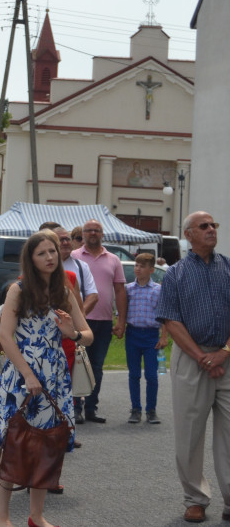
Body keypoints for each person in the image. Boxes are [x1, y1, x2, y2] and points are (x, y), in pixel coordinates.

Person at [0, 230, 92, 527]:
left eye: (52, 251)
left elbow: (88, 336)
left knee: (46, 446)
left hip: (56, 375)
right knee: (12, 444)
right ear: (31, 259)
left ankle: (36, 516)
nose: (49, 257)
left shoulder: (65, 290)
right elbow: (5, 337)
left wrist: (71, 331)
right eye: (42, 253)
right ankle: (3, 519)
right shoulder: (18, 289)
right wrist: (28, 373)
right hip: (22, 375)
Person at [156, 211, 230, 524]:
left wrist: (224, 352)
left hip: (227, 358)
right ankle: (195, 499)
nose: (212, 229)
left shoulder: (229, 267)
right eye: (205, 226)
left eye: (214, 225)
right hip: (191, 360)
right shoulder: (175, 273)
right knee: (189, 435)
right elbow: (171, 321)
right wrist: (202, 357)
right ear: (189, 234)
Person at [71, 219, 127, 423]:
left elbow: (120, 290)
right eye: (89, 230)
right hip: (79, 321)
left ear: (103, 234)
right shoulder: (73, 257)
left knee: (96, 366)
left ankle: (91, 408)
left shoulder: (113, 259)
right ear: (83, 234)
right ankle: (75, 407)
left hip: (103, 321)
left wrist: (121, 320)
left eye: (97, 230)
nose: (93, 233)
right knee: (77, 364)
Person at [124, 252, 167, 424]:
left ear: (151, 270)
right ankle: (135, 409)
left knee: (152, 375)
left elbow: (164, 316)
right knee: (134, 374)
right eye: (136, 265)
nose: (138, 269)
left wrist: (164, 337)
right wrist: (120, 326)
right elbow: (122, 311)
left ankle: (151, 409)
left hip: (151, 337)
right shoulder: (128, 289)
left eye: (142, 266)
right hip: (133, 334)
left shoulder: (158, 290)